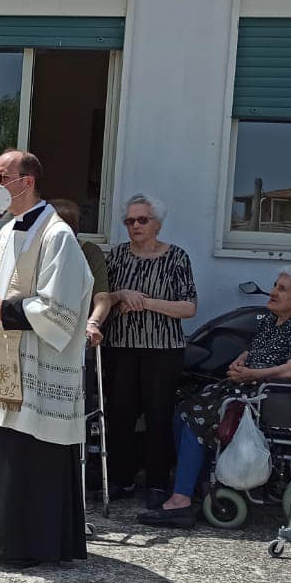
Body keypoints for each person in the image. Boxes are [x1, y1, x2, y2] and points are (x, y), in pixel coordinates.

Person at [0, 151, 96, 564]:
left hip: (33, 362)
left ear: (26, 181)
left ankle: (21, 541)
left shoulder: (57, 236)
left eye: (1, 176)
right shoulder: (7, 229)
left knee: (25, 450)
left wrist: (5, 310)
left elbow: (61, 308)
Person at [139, 267, 291, 527]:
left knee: (197, 418)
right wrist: (241, 363)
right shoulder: (271, 321)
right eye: (275, 285)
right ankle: (200, 483)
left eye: (282, 289)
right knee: (182, 410)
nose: (273, 291)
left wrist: (253, 373)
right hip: (249, 390)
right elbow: (254, 351)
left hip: (272, 398)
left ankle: (181, 501)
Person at [96, 193, 198, 504]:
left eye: (142, 220)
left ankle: (156, 482)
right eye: (129, 221)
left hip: (162, 350)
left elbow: (189, 307)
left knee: (158, 416)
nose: (135, 226)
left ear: (157, 223)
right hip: (121, 347)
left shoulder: (176, 257)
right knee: (120, 415)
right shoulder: (116, 256)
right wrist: (122, 294)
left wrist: (147, 303)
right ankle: (119, 479)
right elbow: (102, 296)